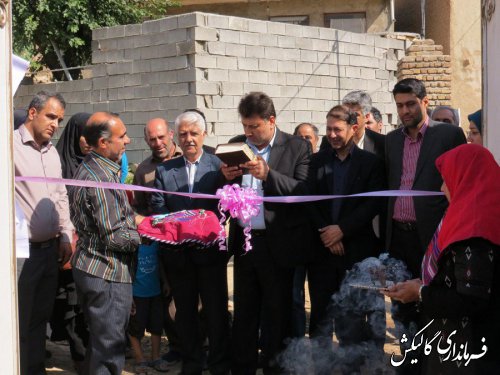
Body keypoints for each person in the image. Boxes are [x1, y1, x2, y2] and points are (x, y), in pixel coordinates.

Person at [384, 144, 500, 374]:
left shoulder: (475, 229)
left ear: (465, 177)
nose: (442, 187)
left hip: (470, 351)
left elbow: (469, 300)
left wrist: (420, 293)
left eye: (447, 179)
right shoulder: (469, 214)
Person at [221, 92, 312, 374]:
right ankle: (244, 367)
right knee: (245, 312)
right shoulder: (236, 145)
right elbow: (221, 188)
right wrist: (224, 176)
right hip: (245, 246)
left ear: (271, 121)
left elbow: (303, 192)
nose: (248, 132)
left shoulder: (297, 147)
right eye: (245, 126)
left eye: (254, 127)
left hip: (279, 246)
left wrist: (268, 174)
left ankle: (274, 367)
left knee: (277, 314)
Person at [385, 78, 466, 374]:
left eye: (410, 104)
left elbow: (460, 184)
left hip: (434, 240)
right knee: (403, 309)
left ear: (425, 102)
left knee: (433, 306)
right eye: (399, 106)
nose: (405, 111)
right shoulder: (391, 141)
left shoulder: (448, 135)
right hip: (399, 240)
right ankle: (409, 365)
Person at [151, 111, 231, 375]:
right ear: (177, 137)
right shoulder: (164, 170)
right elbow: (158, 208)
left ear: (204, 135)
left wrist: (206, 226)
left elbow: (226, 206)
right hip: (178, 256)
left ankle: (219, 363)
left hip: (210, 255)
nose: (189, 139)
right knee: (184, 314)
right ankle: (192, 362)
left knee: (216, 311)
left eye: (194, 133)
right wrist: (182, 228)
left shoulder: (219, 166)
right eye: (183, 134)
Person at [307, 105, 386, 372]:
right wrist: (327, 232)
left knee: (351, 315)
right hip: (322, 251)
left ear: (354, 128)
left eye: (337, 129)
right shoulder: (317, 161)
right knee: (320, 312)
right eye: (328, 129)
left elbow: (372, 205)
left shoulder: (370, 163)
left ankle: (352, 365)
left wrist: (342, 230)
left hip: (356, 252)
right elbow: (309, 202)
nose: (331, 134)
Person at [69, 112, 143, 375]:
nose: (128, 140)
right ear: (102, 143)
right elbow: (114, 236)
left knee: (101, 343)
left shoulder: (97, 169)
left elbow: (115, 218)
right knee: (110, 349)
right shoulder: (99, 180)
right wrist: (146, 232)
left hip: (96, 268)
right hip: (106, 270)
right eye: (121, 136)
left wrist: (135, 220)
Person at [14, 91, 74, 375]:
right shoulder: (9, 147)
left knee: (40, 318)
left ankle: (35, 367)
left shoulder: (52, 152)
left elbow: (60, 194)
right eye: (51, 116)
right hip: (21, 255)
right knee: (18, 322)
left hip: (51, 250)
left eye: (60, 120)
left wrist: (65, 233)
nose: (55, 124)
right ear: (32, 113)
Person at [51, 112, 92, 371]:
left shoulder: (94, 165)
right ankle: (79, 358)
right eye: (82, 133)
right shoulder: (56, 164)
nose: (87, 140)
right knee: (71, 307)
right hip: (66, 247)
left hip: (90, 249)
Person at [291, 122, 319, 337]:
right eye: (299, 137)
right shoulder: (289, 165)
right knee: (295, 296)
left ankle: (320, 342)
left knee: (319, 297)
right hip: (297, 240)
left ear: (316, 140)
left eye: (308, 137)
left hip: (322, 241)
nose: (304, 141)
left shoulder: (323, 163)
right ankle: (298, 340)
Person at [128, 241, 169, 373]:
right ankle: (140, 359)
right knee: (135, 328)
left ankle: (155, 357)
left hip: (155, 293)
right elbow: (127, 271)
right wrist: (129, 294)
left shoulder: (156, 244)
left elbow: (160, 264)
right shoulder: (132, 247)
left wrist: (166, 282)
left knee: (157, 326)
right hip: (137, 295)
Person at [132, 117, 182, 216]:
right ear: (146, 140)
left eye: (161, 137)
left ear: (171, 134)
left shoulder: (188, 160)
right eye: (152, 139)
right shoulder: (143, 170)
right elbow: (139, 207)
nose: (158, 143)